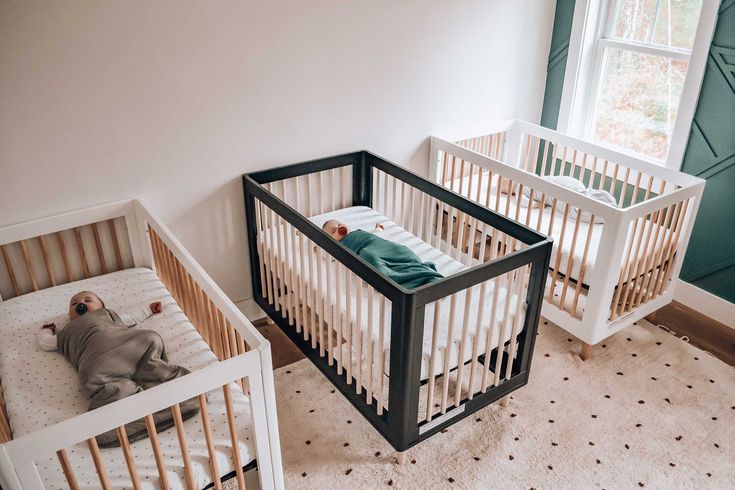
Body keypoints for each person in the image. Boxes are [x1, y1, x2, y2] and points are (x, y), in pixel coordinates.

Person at [38, 291, 198, 447]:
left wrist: (148, 310)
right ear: (69, 316)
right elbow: (46, 343)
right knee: (111, 386)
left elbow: (130, 319)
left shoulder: (106, 315)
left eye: (88, 300)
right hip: (97, 362)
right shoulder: (66, 331)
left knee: (149, 350)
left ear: (101, 306)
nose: (81, 304)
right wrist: (47, 330)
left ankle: (172, 392)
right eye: (74, 303)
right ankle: (127, 419)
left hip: (130, 346)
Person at [322, 219, 443, 289]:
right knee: (369, 257)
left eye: (339, 224)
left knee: (402, 250)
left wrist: (378, 229)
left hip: (383, 246)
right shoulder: (337, 247)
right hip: (369, 251)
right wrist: (321, 244)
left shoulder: (358, 232)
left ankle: (422, 271)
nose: (338, 228)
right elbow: (327, 256)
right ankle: (402, 279)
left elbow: (375, 236)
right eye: (333, 231)